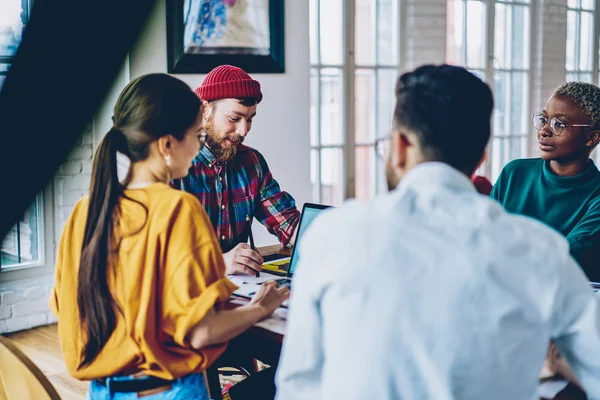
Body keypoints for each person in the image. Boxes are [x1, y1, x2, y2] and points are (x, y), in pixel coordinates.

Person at [275, 65, 600, 399]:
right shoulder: (542, 254)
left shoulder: (333, 235)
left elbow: (297, 385)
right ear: (480, 158)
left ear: (400, 146)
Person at [48, 73, 289, 400]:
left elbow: (64, 307)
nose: (198, 144)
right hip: (169, 391)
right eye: (195, 135)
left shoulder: (85, 210)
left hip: (104, 391)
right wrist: (260, 308)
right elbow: (200, 333)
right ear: (166, 145)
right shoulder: (178, 208)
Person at [171, 65, 300, 276]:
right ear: (205, 111)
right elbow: (159, 259)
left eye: (250, 120)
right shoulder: (175, 165)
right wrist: (220, 264)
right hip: (184, 296)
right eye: (234, 119)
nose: (243, 131)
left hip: (239, 290)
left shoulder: (252, 162)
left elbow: (287, 222)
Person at [490, 82, 600, 281]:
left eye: (559, 124)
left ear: (592, 137)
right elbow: (484, 237)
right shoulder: (514, 173)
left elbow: (562, 259)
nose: (544, 131)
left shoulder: (597, 195)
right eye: (544, 119)